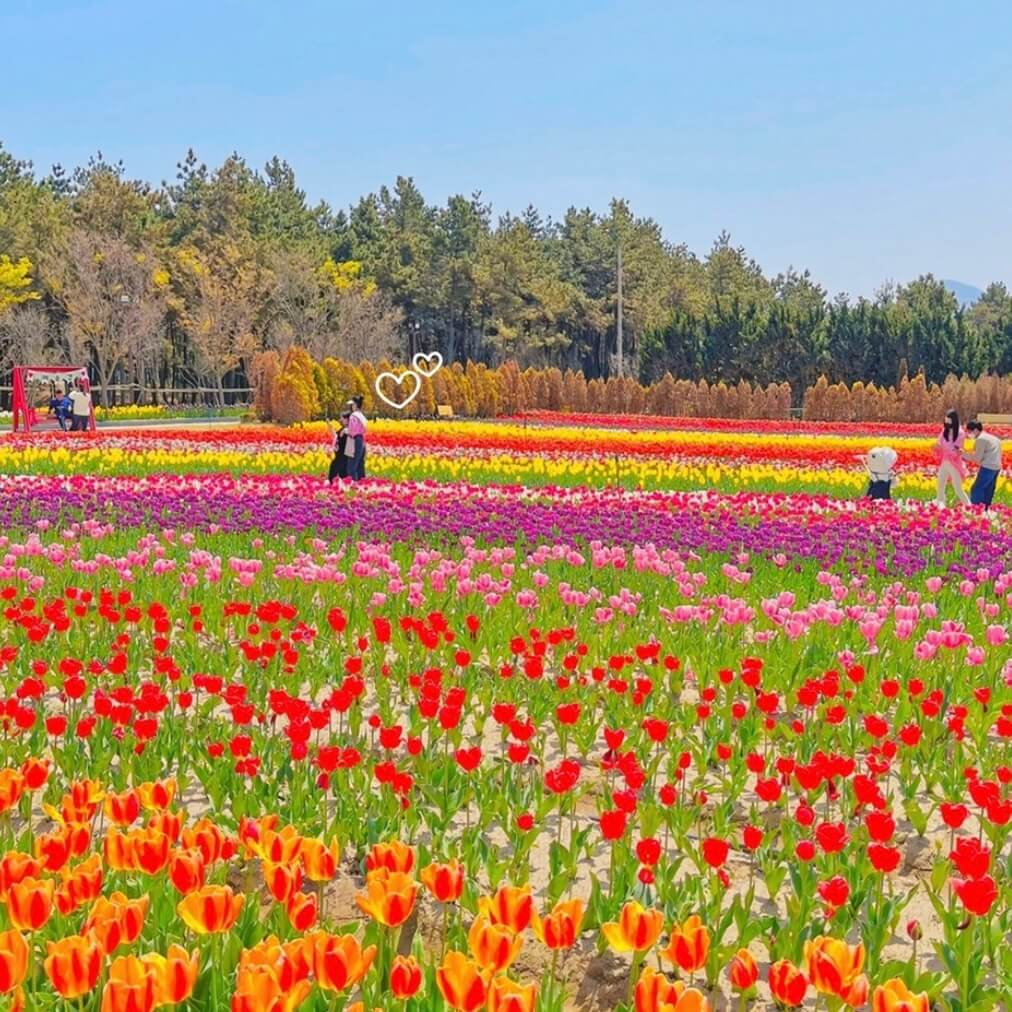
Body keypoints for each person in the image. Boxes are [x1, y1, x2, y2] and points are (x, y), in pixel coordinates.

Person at [963, 420, 1002, 507]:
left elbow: (977, 459)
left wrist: (962, 454)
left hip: (988, 467)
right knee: (988, 490)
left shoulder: (981, 439)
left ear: (976, 430)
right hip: (996, 467)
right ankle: (986, 509)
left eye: (969, 431)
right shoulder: (993, 438)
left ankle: (976, 509)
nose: (968, 434)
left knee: (977, 489)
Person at [934, 409, 968, 506]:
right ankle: (940, 507)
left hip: (954, 463)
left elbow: (956, 450)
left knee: (958, 489)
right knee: (940, 486)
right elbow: (939, 442)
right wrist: (937, 447)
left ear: (954, 420)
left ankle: (970, 507)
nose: (947, 423)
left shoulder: (960, 433)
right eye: (946, 421)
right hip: (944, 462)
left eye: (949, 421)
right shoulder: (944, 431)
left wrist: (944, 448)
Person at [346, 395, 367, 481]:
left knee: (351, 466)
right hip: (362, 440)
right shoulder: (362, 416)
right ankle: (363, 484)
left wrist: (346, 431)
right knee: (360, 466)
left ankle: (353, 485)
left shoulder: (353, 416)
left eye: (352, 405)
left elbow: (352, 431)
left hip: (354, 440)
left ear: (355, 405)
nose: (351, 407)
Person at [325, 412, 351, 483]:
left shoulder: (349, 429)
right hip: (338, 455)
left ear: (347, 419)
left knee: (342, 474)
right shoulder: (342, 428)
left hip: (344, 456)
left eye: (342, 418)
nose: (340, 420)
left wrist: (346, 431)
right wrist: (330, 427)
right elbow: (336, 436)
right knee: (333, 472)